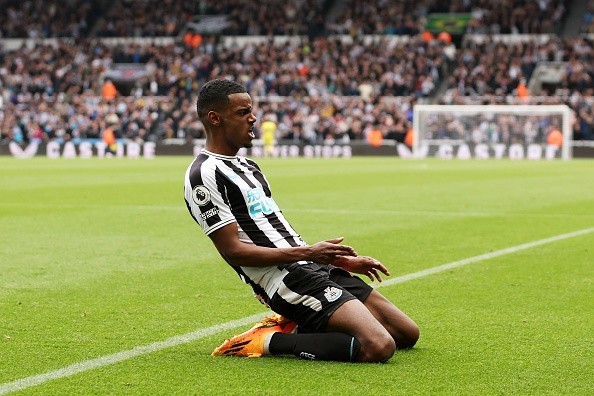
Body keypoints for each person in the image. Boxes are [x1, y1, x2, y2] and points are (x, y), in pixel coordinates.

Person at [183, 79, 419, 363]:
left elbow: (275, 231)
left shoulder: (248, 166)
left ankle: (301, 322)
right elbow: (232, 250)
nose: (253, 118)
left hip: (312, 266)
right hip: (284, 279)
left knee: (406, 333)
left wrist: (333, 260)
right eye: (243, 112)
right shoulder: (202, 175)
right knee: (378, 345)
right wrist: (308, 253)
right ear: (215, 119)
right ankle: (270, 340)